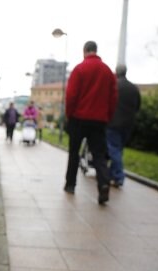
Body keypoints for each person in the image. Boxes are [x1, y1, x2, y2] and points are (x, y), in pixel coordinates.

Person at [64, 41, 117, 205]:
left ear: (84, 51)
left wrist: (69, 115)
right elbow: (113, 98)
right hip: (99, 120)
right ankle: (103, 184)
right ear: (96, 51)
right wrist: (107, 116)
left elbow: (71, 95)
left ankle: (71, 185)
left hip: (79, 118)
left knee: (74, 153)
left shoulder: (79, 69)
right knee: (99, 154)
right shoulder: (108, 72)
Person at [107, 64, 141, 187]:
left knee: (114, 149)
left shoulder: (113, 86)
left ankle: (118, 176)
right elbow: (137, 106)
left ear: (116, 72)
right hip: (128, 125)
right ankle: (112, 174)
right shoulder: (133, 88)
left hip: (113, 123)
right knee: (118, 149)